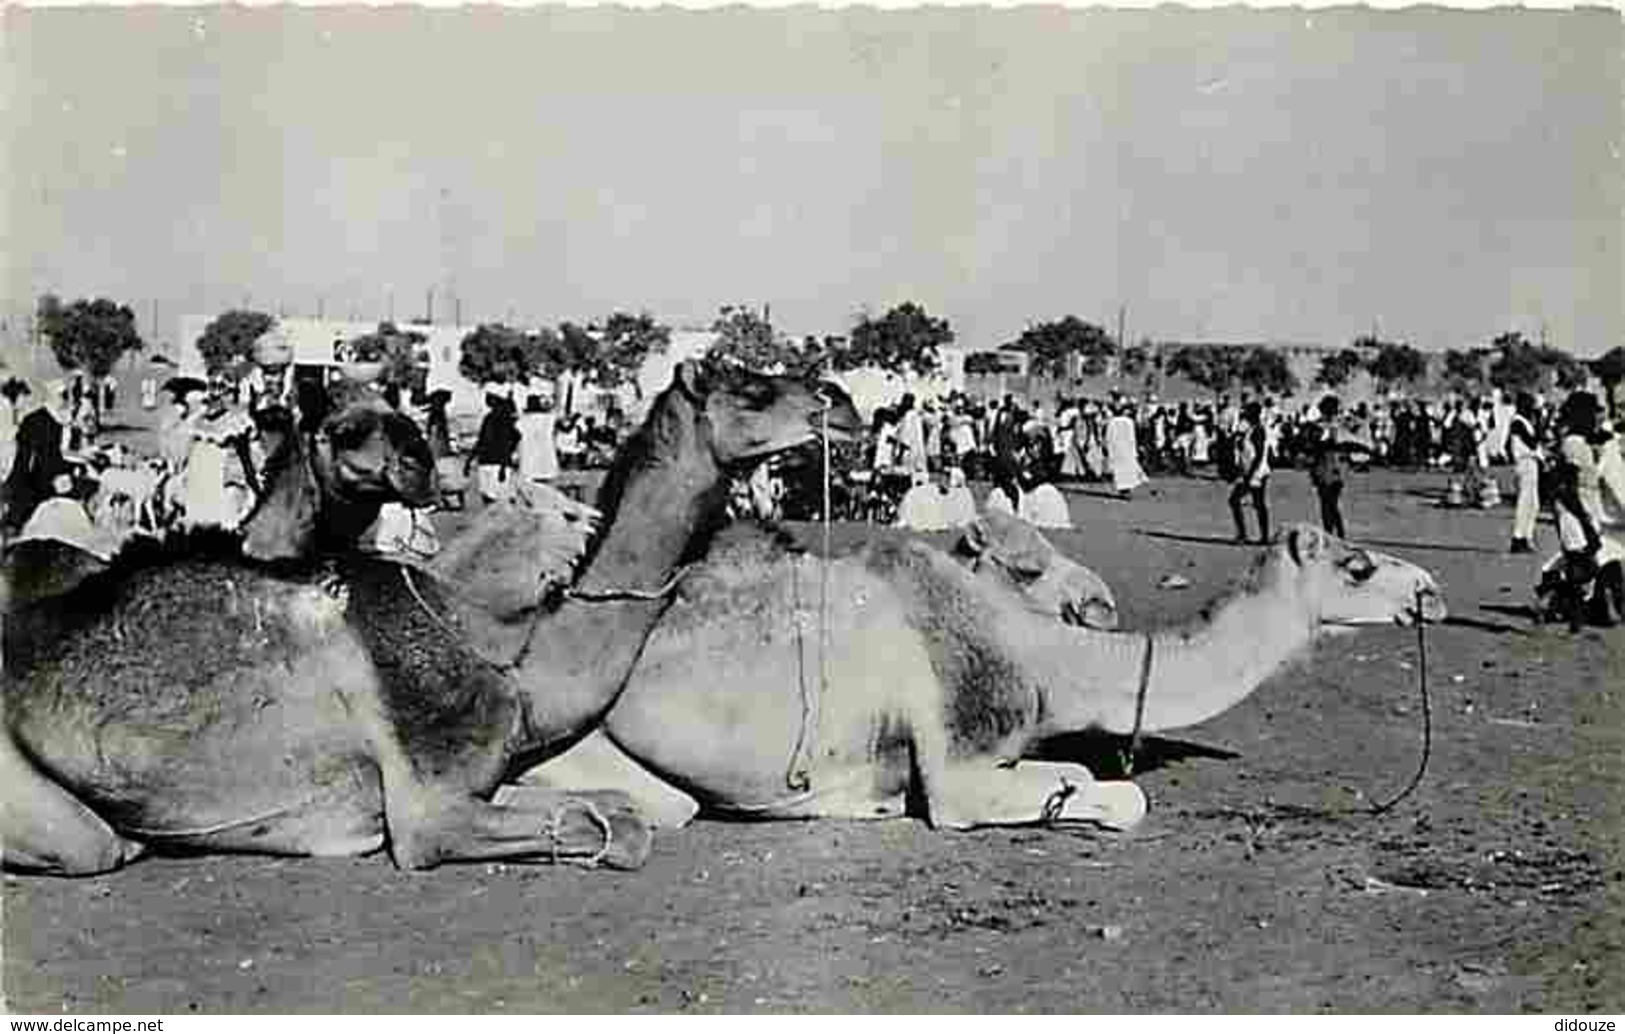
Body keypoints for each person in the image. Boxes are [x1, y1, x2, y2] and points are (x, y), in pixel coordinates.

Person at [3, 380, 72, 534]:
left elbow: (56, 454)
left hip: (45, 476)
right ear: (51, 396)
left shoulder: (59, 418)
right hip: (35, 479)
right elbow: (26, 461)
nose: (65, 399)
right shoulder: (35, 420)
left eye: (66, 395)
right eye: (62, 395)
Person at [1306, 395, 1349, 539]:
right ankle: (1335, 535)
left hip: (1327, 468)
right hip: (1331, 468)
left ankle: (1332, 535)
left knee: (1327, 505)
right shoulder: (1335, 426)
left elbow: (1317, 446)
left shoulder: (1326, 426)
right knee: (1330, 505)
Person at [1229, 402, 1271, 544]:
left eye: (1247, 412)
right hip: (1250, 471)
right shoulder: (1249, 429)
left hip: (1256, 472)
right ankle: (1259, 536)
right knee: (1257, 503)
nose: (1244, 414)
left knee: (1238, 500)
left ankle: (1245, 535)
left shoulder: (1258, 430)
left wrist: (1250, 475)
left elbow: (1259, 455)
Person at [467, 394, 519, 505]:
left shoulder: (494, 419)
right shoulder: (499, 420)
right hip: (494, 463)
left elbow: (482, 441)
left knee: (493, 498)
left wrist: (469, 460)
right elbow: (509, 444)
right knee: (499, 498)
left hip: (492, 463)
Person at [1507, 391, 1543, 553]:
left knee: (1533, 504)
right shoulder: (1518, 422)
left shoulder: (1525, 422)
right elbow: (1533, 442)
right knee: (1525, 501)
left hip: (1531, 462)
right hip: (1524, 462)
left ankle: (1526, 535)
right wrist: (1541, 421)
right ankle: (1518, 537)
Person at [516, 395, 560, 492]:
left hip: (529, 462)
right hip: (547, 460)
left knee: (531, 493)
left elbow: (517, 436)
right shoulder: (550, 419)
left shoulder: (522, 420)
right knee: (548, 492)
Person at [1104, 402, 1145, 500]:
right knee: (1127, 471)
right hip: (1127, 449)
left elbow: (1108, 437)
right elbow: (1133, 437)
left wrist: (1108, 448)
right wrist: (1135, 449)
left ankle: (1124, 491)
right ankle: (1127, 491)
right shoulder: (1129, 421)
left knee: (1120, 472)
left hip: (1117, 449)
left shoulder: (1111, 421)